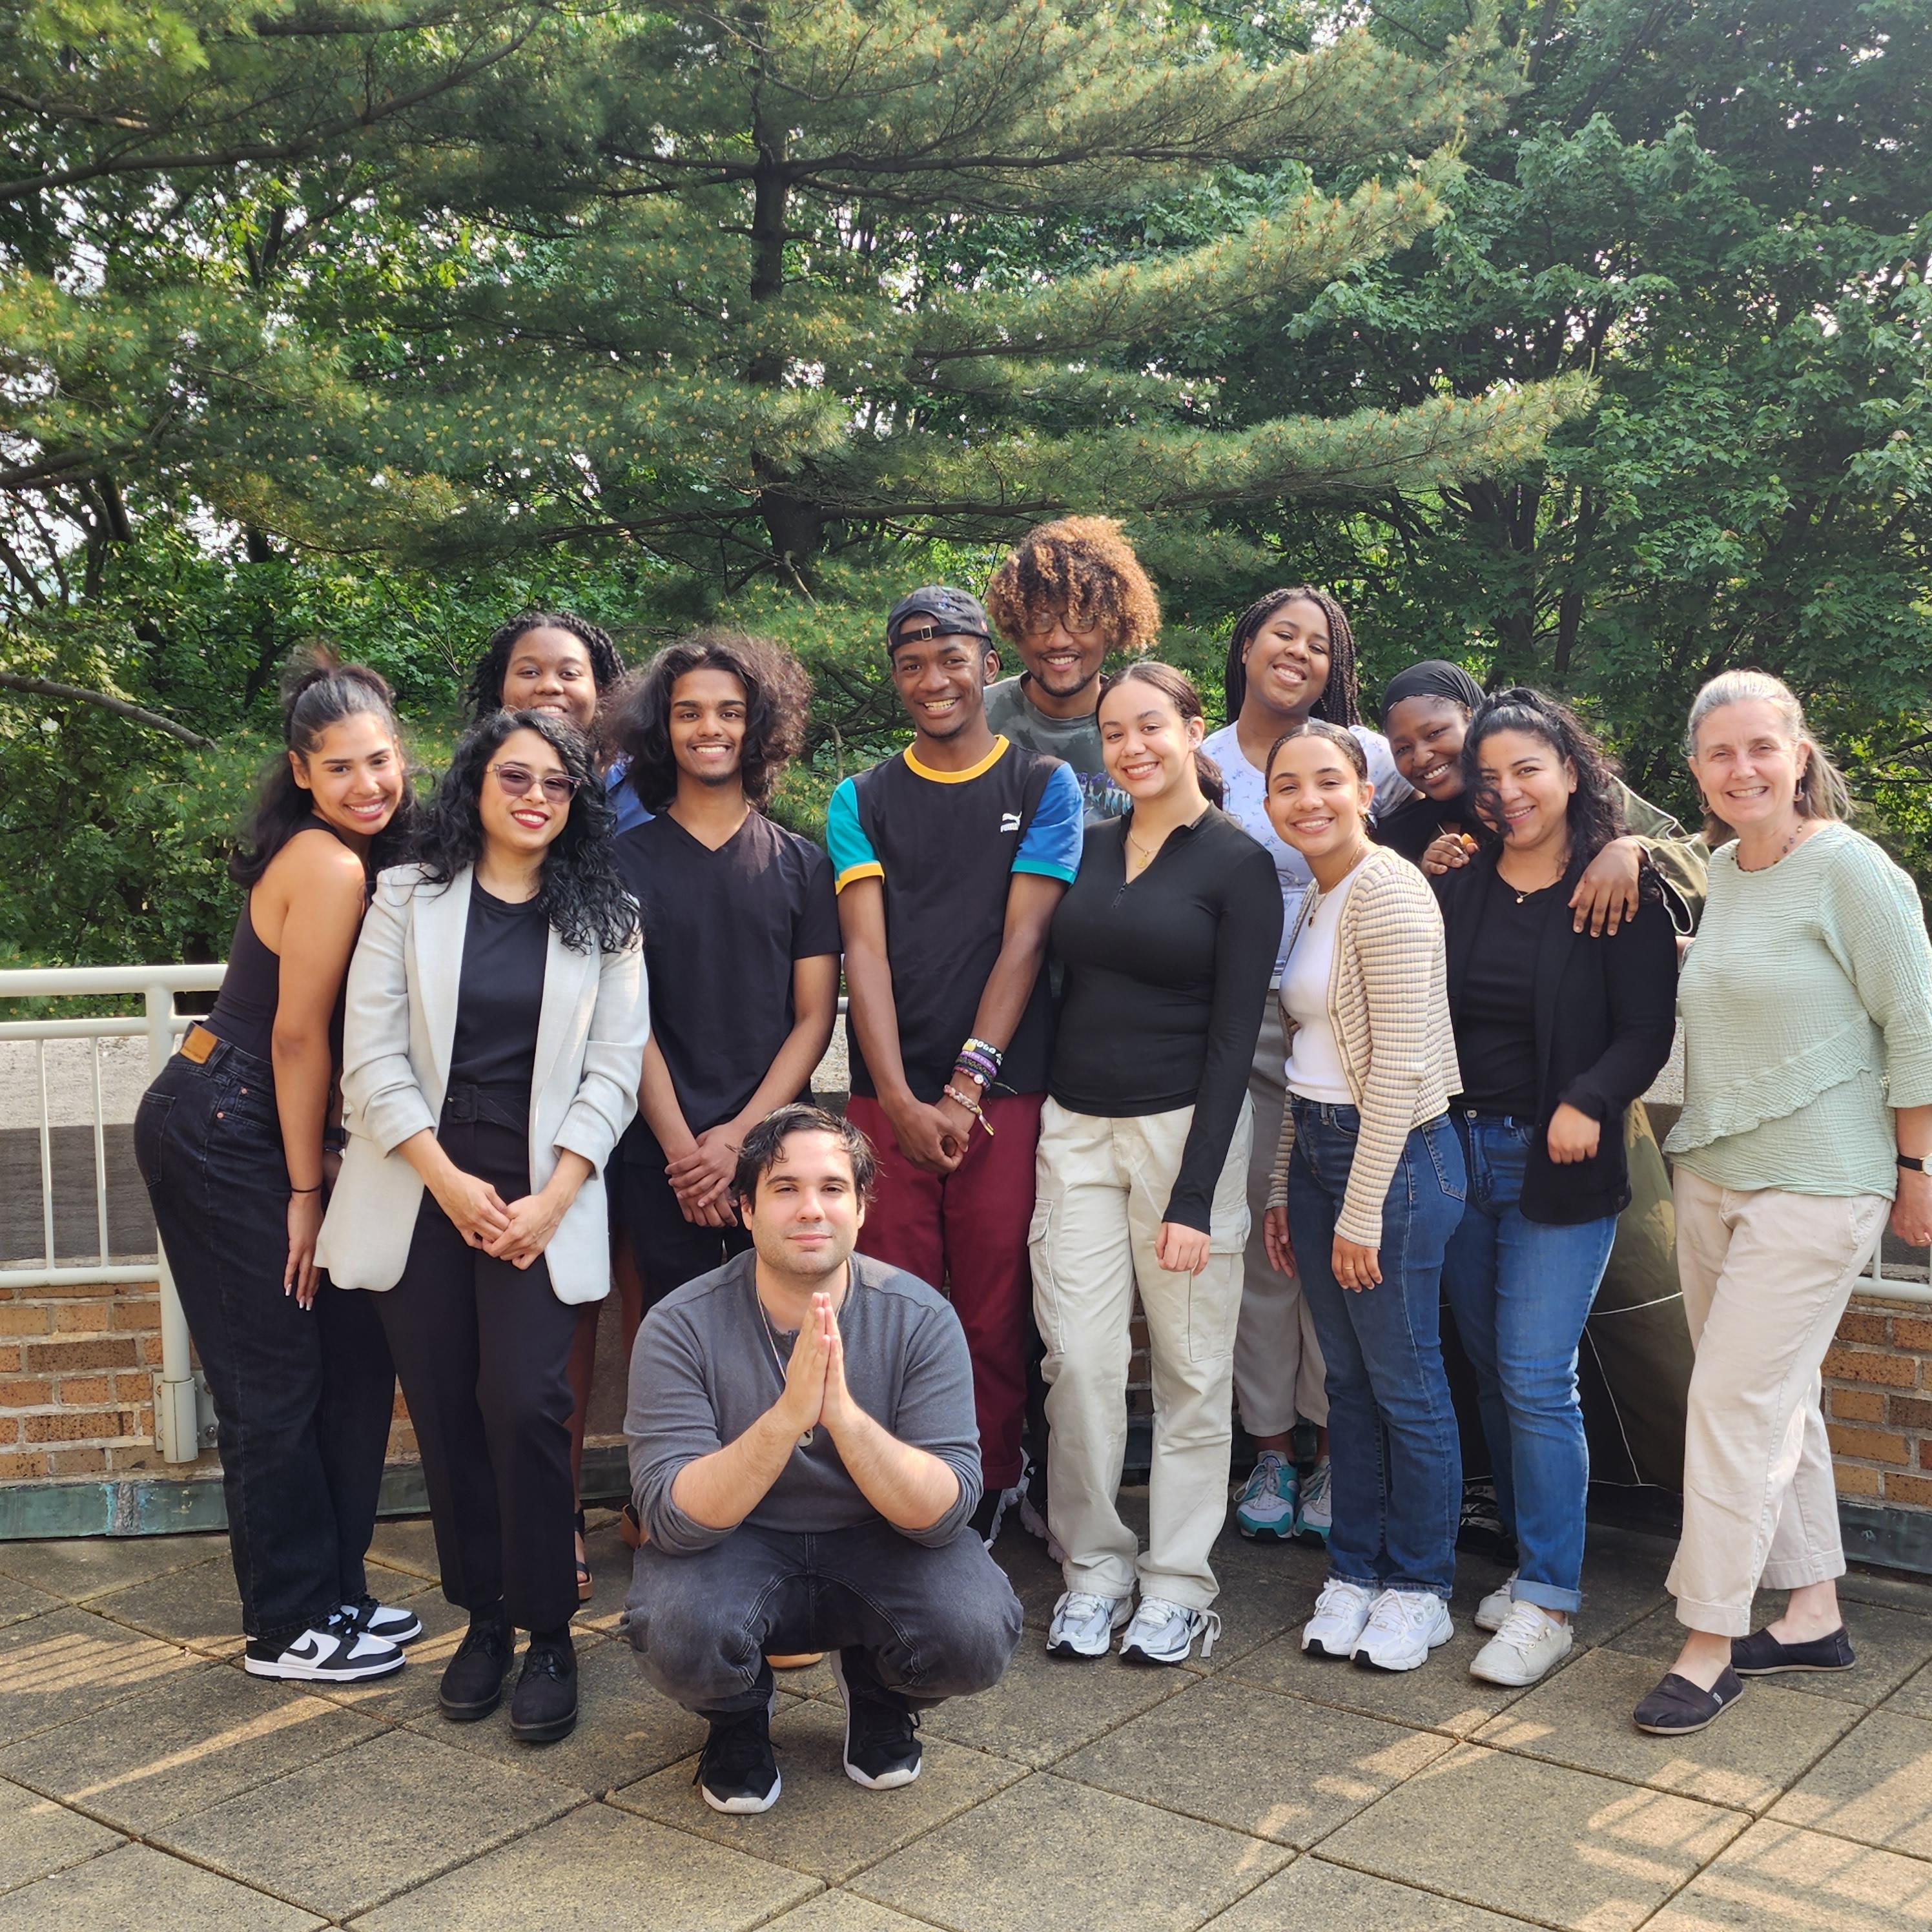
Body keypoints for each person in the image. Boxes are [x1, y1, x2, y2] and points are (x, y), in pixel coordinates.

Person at [317, 709, 648, 1745]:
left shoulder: (609, 916)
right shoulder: (405, 898)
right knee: (449, 1412)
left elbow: (615, 1069)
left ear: (577, 802)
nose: (536, 797)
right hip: (425, 1190)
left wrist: (552, 1198)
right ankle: (486, 1620)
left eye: (558, 783)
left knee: (525, 1402)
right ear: (476, 783)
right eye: (517, 776)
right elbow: (368, 1058)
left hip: (540, 1202)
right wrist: (448, 1180)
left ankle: (551, 1628)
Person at [1632, 671, 1932, 1736]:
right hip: (1714, 1170)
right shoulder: (1720, 869)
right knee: (1776, 1398)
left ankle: (1708, 1637)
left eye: (1761, 747)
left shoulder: (1849, 869)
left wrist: (1916, 1169)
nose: (1742, 768)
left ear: (1798, 753)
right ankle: (1811, 1614)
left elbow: (1915, 1017)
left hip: (1821, 1179)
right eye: (1719, 753)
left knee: (1726, 1402)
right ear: (1698, 770)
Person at [133, 658, 420, 1683]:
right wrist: (308, 1190)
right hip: (225, 1119)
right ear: (303, 774)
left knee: (339, 1364)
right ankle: (285, 1626)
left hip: (259, 1116)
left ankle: (336, 1596)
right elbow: (299, 1040)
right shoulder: (329, 864)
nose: (366, 784)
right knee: (272, 1377)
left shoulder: (371, 858)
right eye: (339, 768)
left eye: (380, 760)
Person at [623, 1105, 1023, 1814]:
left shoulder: (918, 1316)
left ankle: (879, 1692)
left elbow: (944, 1513)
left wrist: (840, 1414)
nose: (811, 1208)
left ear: (862, 1208)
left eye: (833, 1188)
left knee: (976, 1629)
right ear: (744, 1208)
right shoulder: (680, 1324)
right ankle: (738, 1716)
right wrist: (784, 1419)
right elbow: (674, 1518)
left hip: (880, 1543)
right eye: (783, 1189)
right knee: (677, 1629)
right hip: (734, 1545)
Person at [575, 632, 839, 1579]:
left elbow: (813, 1019)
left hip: (773, 1152)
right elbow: (624, 1017)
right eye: (689, 712)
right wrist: (689, 1144)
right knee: (672, 1334)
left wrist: (741, 1142)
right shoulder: (621, 861)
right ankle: (672, 1515)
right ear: (661, 727)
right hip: (659, 1151)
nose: (709, 728)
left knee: (782, 1331)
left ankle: (785, 1516)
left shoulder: (802, 864)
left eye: (729, 711)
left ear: (758, 724)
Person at [827, 586, 1084, 1544]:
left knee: (991, 1298)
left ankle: (990, 1480)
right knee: (893, 1295)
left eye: (951, 659)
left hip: (1005, 1093)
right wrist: (896, 1097)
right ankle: (905, 1480)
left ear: (988, 665)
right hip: (882, 1096)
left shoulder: (1042, 785)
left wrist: (965, 1087)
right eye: (911, 664)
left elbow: (1024, 943)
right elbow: (866, 954)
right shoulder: (859, 798)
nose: (933, 680)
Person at [1031, 664, 1277, 1665]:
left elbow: (1235, 1043)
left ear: (1192, 731)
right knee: (1080, 1364)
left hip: (1186, 1132)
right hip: (1075, 1132)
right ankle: (1092, 1566)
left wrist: (1193, 1193)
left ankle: (1178, 1581)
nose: (1131, 747)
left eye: (1150, 727)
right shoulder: (1084, 851)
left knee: (1188, 1369)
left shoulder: (1238, 865)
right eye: (1113, 733)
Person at [1432, 691, 1678, 1687]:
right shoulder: (1458, 882)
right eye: (1488, 777)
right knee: (1497, 1374)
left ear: (1573, 770)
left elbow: (1646, 1032)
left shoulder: (1614, 887)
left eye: (1527, 769)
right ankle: (1540, 1562)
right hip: (1457, 1159)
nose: (1508, 792)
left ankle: (1549, 1600)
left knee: (1537, 1378)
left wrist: (1589, 1097)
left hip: (1560, 1164)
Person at [1202, 588, 1410, 1549]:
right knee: (1258, 1251)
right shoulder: (1197, 759)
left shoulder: (1364, 758)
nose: (1299, 653)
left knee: (1337, 1251)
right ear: (1245, 647)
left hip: (1347, 1031)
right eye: (1282, 635)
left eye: (1320, 644)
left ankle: (1334, 1455)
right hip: (1238, 1031)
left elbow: (1464, 801)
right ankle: (1272, 1451)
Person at [1261, 721, 1466, 1672]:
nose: (1308, 801)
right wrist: (1281, 1188)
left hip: (1392, 1165)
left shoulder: (1388, 891)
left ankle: (1420, 1585)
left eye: (1327, 783)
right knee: (1345, 1383)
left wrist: (1357, 1210)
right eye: (1287, 786)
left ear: (1363, 791)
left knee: (1407, 1384)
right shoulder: (1315, 894)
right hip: (1318, 1154)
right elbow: (1312, 1061)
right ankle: (1356, 1570)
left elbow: (1398, 1069)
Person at [1378, 659, 1709, 926]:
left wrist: (1632, 850)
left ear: (1474, 719)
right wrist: (1423, 876)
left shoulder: (1582, 791)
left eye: (1435, 733)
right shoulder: (1403, 835)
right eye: (1403, 748)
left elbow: (1698, 855)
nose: (1421, 756)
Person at [983, 513, 1160, 822]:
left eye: (1081, 619)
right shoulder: (979, 718)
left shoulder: (1149, 725)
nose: (1059, 639)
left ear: (1112, 625)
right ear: (1015, 627)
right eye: (1040, 620)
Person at [464, 608, 645, 833]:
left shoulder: (647, 786)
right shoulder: (469, 787)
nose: (549, 686)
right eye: (529, 672)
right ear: (500, 689)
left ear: (601, 690)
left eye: (569, 673)